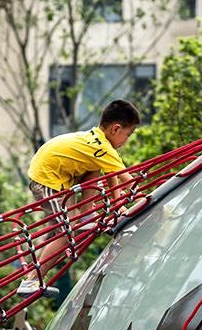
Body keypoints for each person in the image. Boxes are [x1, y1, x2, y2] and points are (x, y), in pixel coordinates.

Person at [18, 99, 140, 298]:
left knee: (95, 166)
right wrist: (150, 201)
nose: (126, 140)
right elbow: (129, 182)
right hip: (47, 180)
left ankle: (86, 216)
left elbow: (112, 174)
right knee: (67, 235)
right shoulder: (103, 147)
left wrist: (118, 206)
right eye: (128, 134)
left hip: (60, 177)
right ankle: (31, 280)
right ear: (116, 129)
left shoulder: (97, 140)